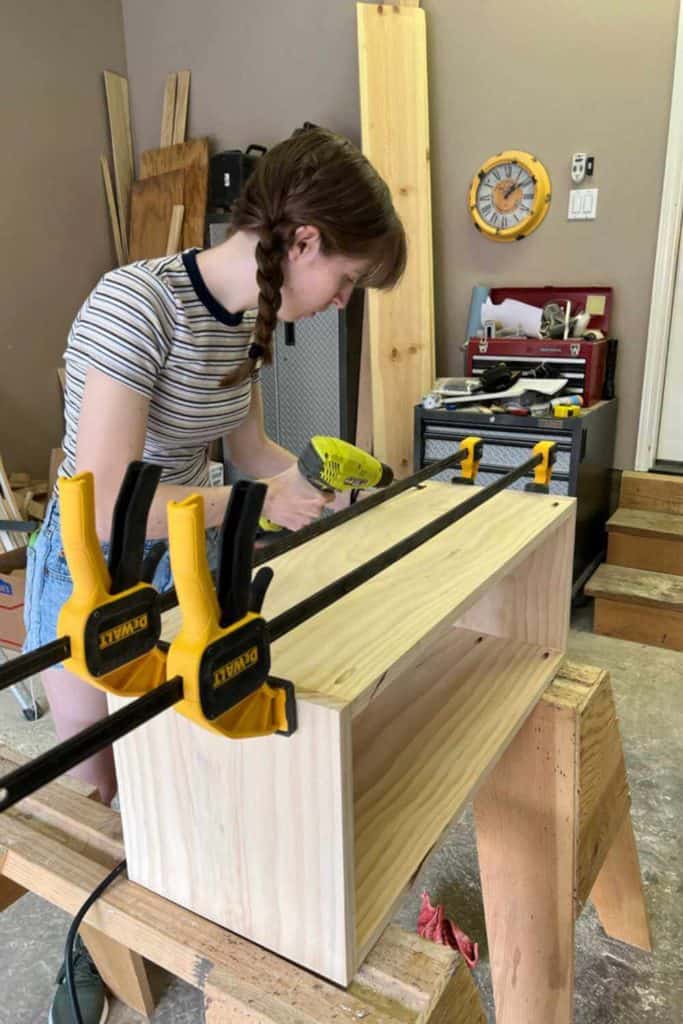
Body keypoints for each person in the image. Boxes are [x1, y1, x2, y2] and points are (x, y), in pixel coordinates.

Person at [23, 124, 406, 1024]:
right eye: (346, 281)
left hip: (190, 562)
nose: (342, 302)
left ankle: (187, 911)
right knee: (101, 783)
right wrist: (256, 504)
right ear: (302, 240)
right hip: (93, 573)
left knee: (185, 751)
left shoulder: (240, 323)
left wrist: (307, 486)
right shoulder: (135, 306)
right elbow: (110, 501)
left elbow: (251, 455)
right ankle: (91, 944)